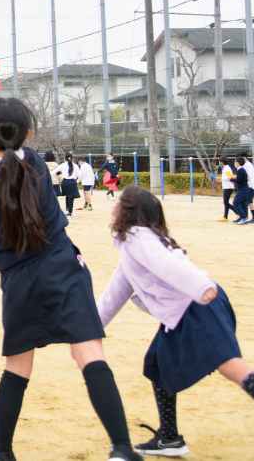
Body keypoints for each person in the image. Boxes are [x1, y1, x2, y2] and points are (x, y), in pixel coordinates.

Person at [0, 98, 140, 461]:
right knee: (89, 355)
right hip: (63, 267)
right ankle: (122, 449)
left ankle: (3, 453)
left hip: (19, 281)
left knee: (18, 366)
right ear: (28, 135)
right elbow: (5, 155)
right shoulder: (36, 165)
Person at [97, 186, 254, 457]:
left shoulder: (138, 238)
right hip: (186, 309)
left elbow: (168, 265)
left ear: (129, 211)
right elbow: (115, 294)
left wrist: (200, 286)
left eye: (119, 201)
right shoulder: (131, 244)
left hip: (198, 304)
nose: (113, 205)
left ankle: (169, 437)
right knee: (157, 363)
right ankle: (169, 438)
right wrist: (88, 328)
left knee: (231, 366)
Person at [53, 152, 82, 218]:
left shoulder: (63, 165)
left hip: (64, 182)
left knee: (67, 196)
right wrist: (78, 181)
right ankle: (69, 213)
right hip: (72, 182)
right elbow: (79, 175)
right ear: (72, 158)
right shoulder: (75, 165)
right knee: (71, 198)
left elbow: (54, 171)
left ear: (64, 158)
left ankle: (67, 210)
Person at [231, 155, 250, 224]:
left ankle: (243, 217)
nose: (235, 163)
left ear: (238, 163)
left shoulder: (240, 170)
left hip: (242, 188)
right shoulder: (242, 169)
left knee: (236, 202)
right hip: (245, 188)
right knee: (243, 203)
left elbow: (239, 180)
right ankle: (245, 218)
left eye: (235, 162)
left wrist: (231, 179)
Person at [218, 156, 236, 222]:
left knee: (226, 202)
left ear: (221, 162)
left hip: (228, 187)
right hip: (227, 186)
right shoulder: (225, 168)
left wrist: (221, 178)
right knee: (226, 202)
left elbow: (230, 177)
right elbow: (227, 178)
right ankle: (225, 216)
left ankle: (237, 212)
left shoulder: (226, 168)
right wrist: (221, 180)